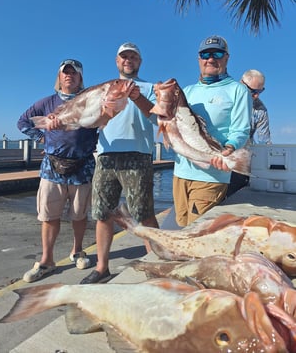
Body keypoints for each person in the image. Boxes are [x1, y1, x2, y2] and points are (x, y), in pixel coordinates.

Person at [80, 42, 159, 284]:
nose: (128, 60)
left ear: (140, 62)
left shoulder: (150, 88)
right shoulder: (104, 88)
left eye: (133, 57)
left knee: (144, 213)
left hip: (138, 155)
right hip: (106, 156)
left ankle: (157, 265)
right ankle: (102, 267)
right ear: (117, 62)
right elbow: (91, 120)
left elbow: (157, 117)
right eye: (124, 57)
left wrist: (137, 97)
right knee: (103, 213)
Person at [17, 59, 98, 283]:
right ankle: (46, 261)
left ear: (80, 78)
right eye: (65, 72)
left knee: (79, 215)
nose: (69, 76)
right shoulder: (47, 102)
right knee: (49, 216)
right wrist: (42, 136)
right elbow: (23, 122)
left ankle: (78, 251)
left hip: (82, 166)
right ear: (59, 77)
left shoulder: (89, 100)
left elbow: (102, 123)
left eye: (74, 73)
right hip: (52, 167)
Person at [173, 35, 252, 227]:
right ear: (199, 59)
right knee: (182, 227)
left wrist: (229, 149)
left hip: (211, 175)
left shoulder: (238, 90)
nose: (210, 59)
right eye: (205, 54)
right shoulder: (188, 91)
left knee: (198, 231)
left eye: (217, 53)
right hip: (180, 173)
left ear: (227, 58)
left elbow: (240, 129)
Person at [226, 69, 271, 197]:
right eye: (253, 91)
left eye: (260, 91)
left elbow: (263, 143)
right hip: (217, 156)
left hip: (240, 162)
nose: (256, 96)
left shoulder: (260, 110)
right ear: (241, 83)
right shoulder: (226, 98)